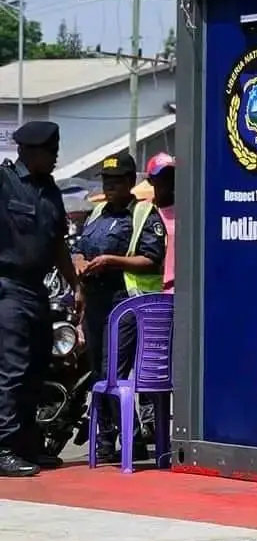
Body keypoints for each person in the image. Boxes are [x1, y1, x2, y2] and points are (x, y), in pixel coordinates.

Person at [73, 151, 166, 464]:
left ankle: (131, 437)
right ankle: (109, 435)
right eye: (106, 180)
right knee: (98, 371)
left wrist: (112, 261)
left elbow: (151, 257)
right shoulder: (97, 213)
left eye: (116, 181)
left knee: (114, 369)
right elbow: (78, 249)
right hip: (95, 299)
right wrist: (80, 267)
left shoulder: (141, 215)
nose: (110, 186)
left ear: (129, 182)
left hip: (124, 300)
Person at [0, 121, 82, 476]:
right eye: (50, 152)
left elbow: (57, 243)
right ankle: (3, 447)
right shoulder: (4, 184)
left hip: (37, 290)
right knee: (13, 369)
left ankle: (27, 445)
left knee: (36, 366)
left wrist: (75, 284)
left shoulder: (50, 190)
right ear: (28, 151)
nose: (55, 157)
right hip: (7, 287)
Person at [146, 154, 176, 293]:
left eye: (171, 175)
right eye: (162, 176)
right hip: (151, 290)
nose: (168, 181)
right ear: (151, 180)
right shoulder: (143, 212)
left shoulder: (189, 211)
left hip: (178, 289)